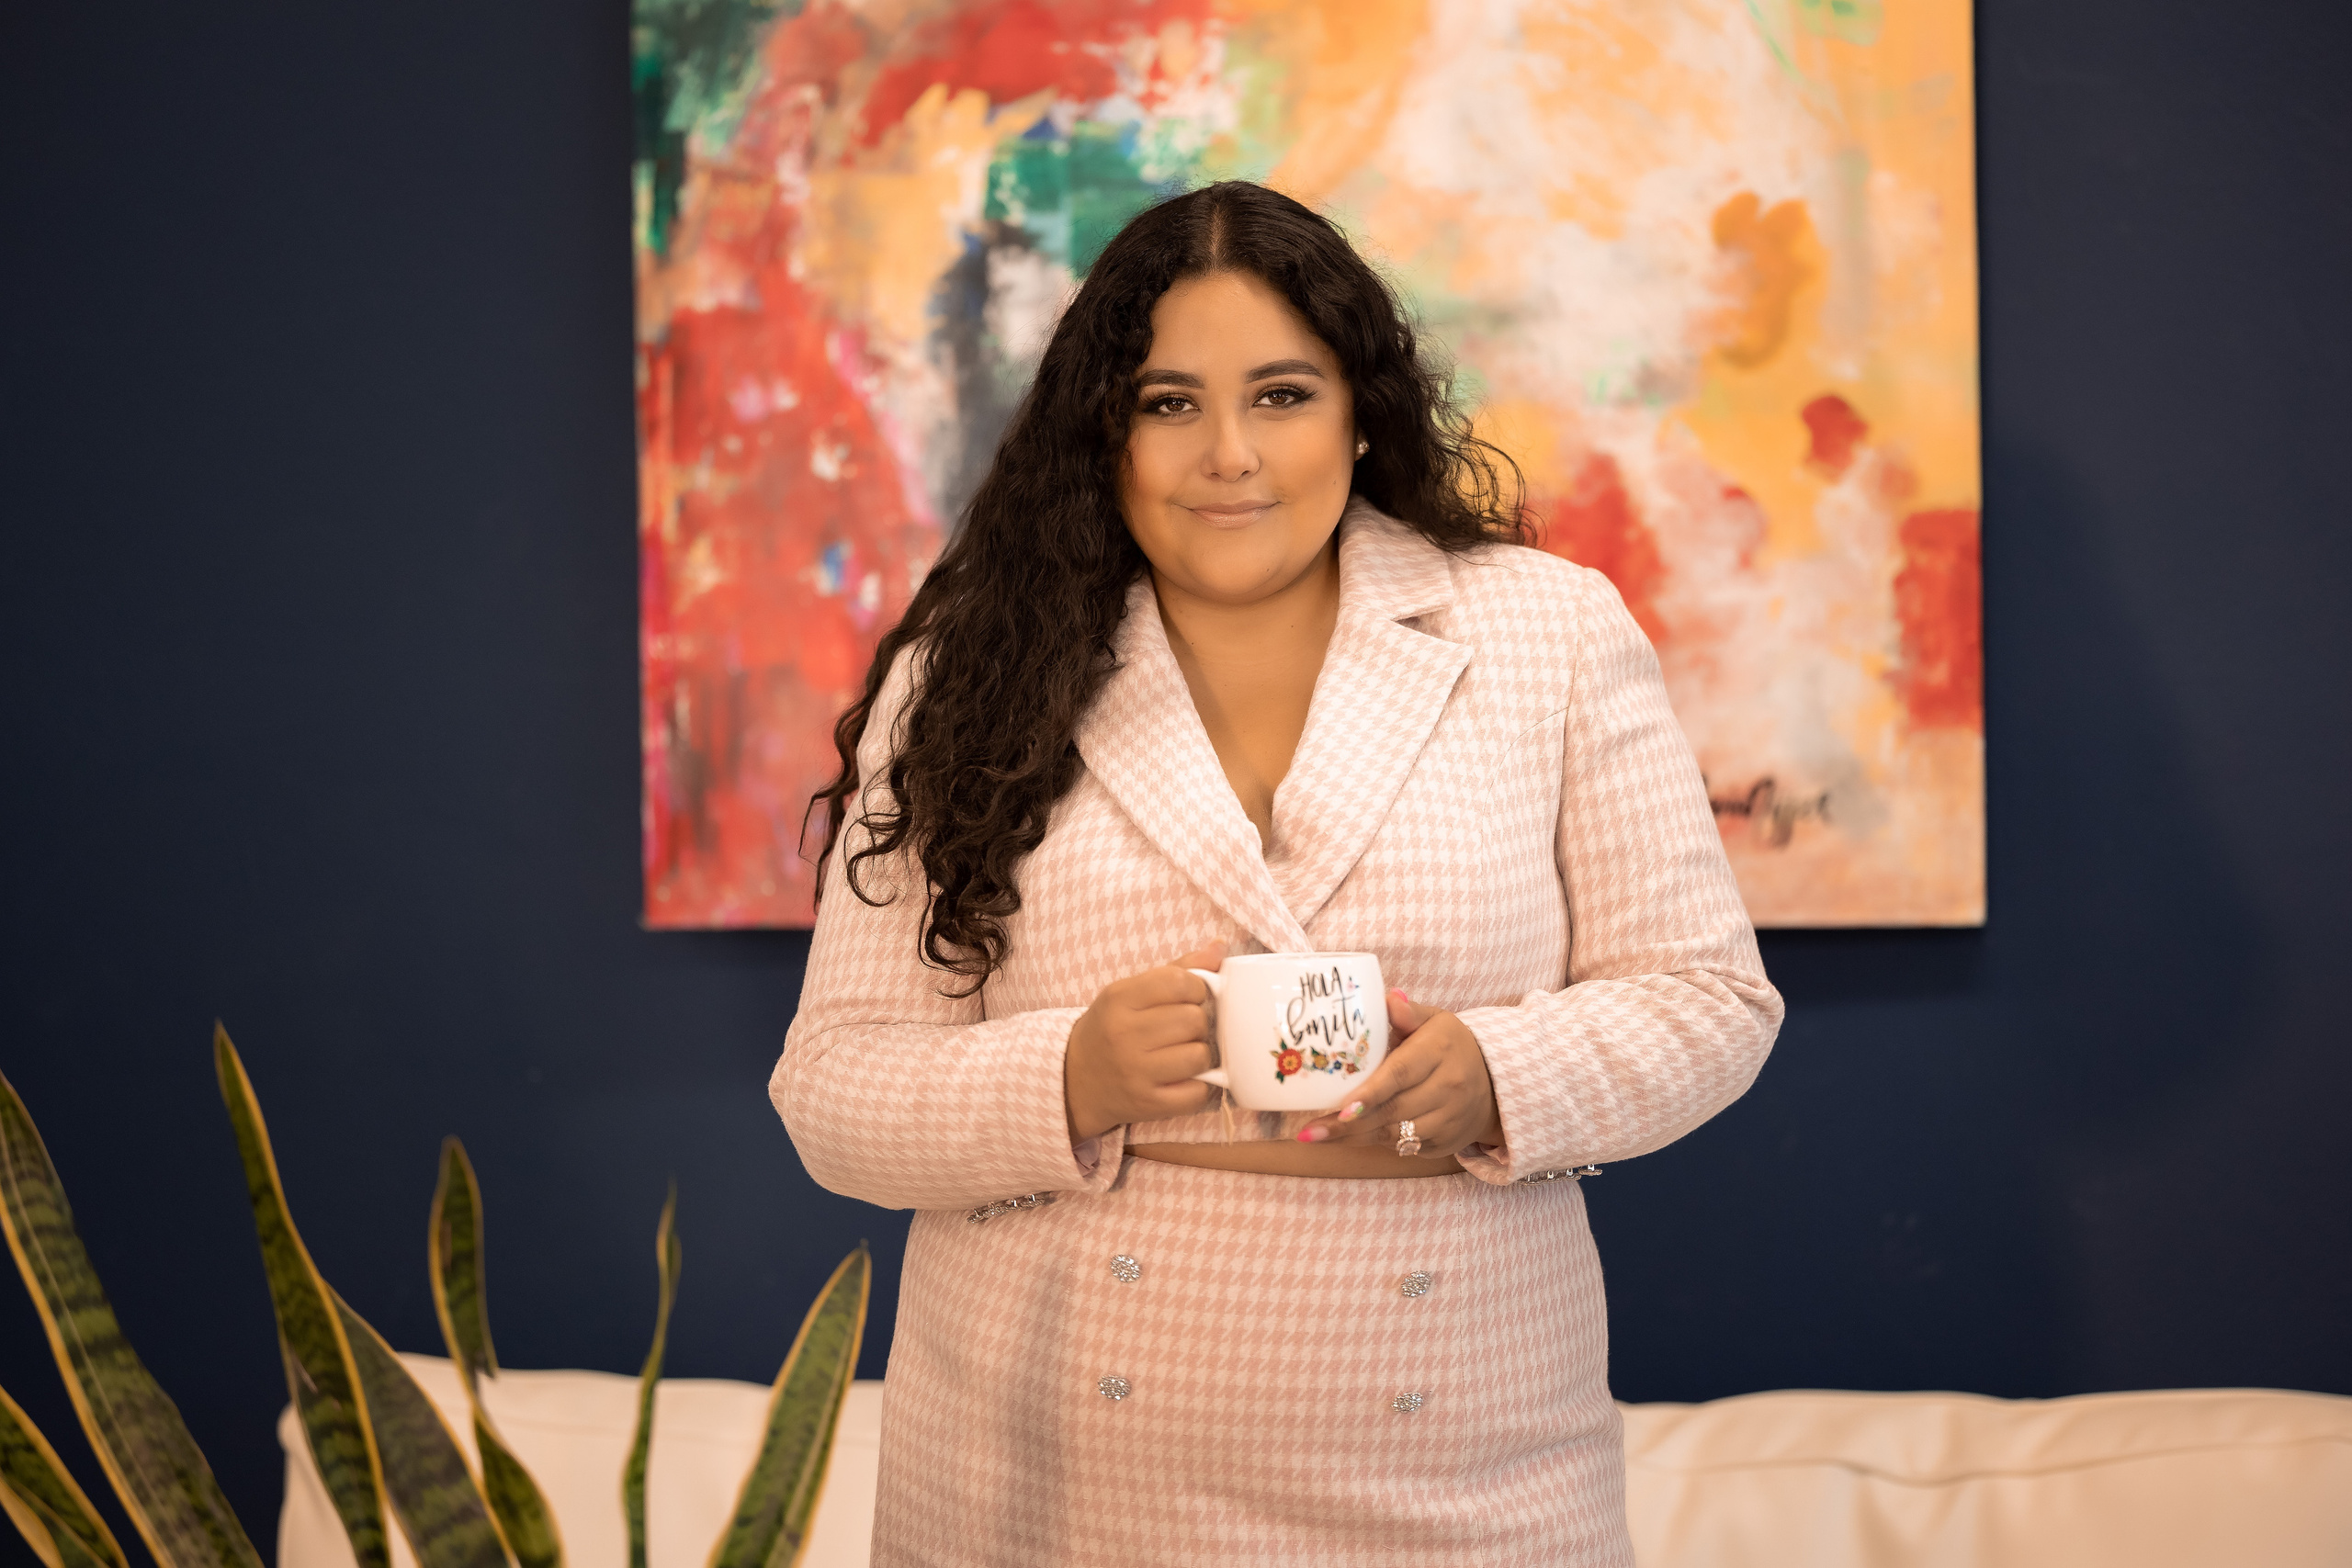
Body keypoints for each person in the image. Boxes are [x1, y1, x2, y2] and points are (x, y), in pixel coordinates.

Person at [772, 181, 1781, 1566]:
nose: (1228, 455)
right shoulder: (966, 673)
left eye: (1283, 395)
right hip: (1048, 1480)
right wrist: (1068, 1074)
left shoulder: (1547, 633)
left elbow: (1710, 1002)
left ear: (1361, 411)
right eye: (1169, 401)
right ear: (1103, 432)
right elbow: (832, 1091)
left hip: (1472, 1471)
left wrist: (1500, 1071)